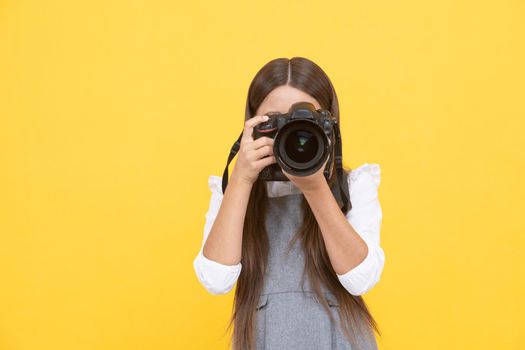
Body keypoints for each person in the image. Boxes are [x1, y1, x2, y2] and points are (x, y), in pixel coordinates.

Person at [193, 57, 385, 350]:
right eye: (274, 121)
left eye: (302, 121)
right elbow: (216, 280)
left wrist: (316, 187)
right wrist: (242, 180)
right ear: (252, 126)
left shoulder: (354, 185)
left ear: (328, 124)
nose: (290, 135)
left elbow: (360, 280)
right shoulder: (234, 193)